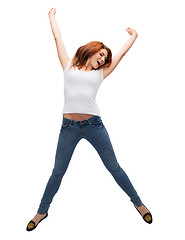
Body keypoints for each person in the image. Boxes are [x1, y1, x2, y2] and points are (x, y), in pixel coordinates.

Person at [26, 8, 153, 231]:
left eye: (105, 58)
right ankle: (41, 211)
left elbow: (121, 54)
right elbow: (58, 39)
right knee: (57, 172)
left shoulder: (100, 74)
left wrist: (134, 36)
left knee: (114, 166)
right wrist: (52, 17)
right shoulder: (68, 65)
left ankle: (139, 204)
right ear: (92, 51)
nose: (103, 59)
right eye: (101, 55)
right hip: (69, 128)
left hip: (94, 126)